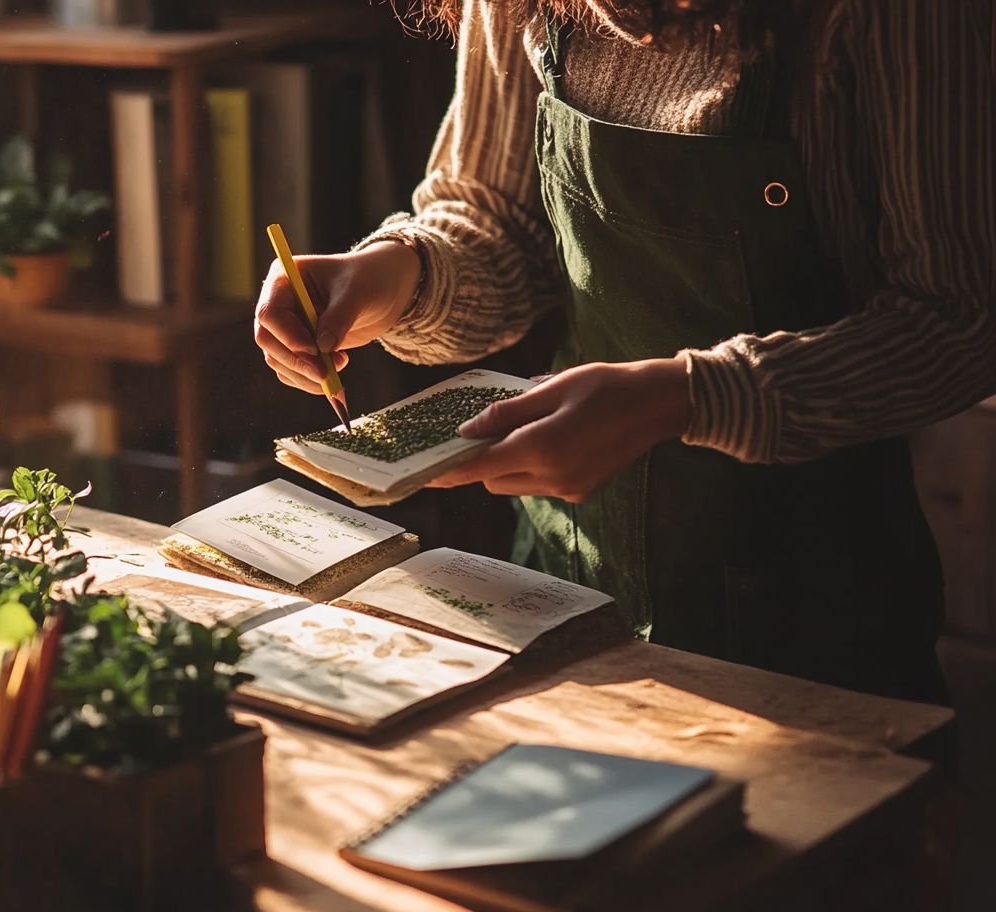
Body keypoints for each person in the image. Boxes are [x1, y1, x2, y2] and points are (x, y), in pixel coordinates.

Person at [253, 0, 995, 704]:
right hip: (562, 580)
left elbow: (961, 319)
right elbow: (496, 219)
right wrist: (391, 277)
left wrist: (687, 398)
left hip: (813, 612)